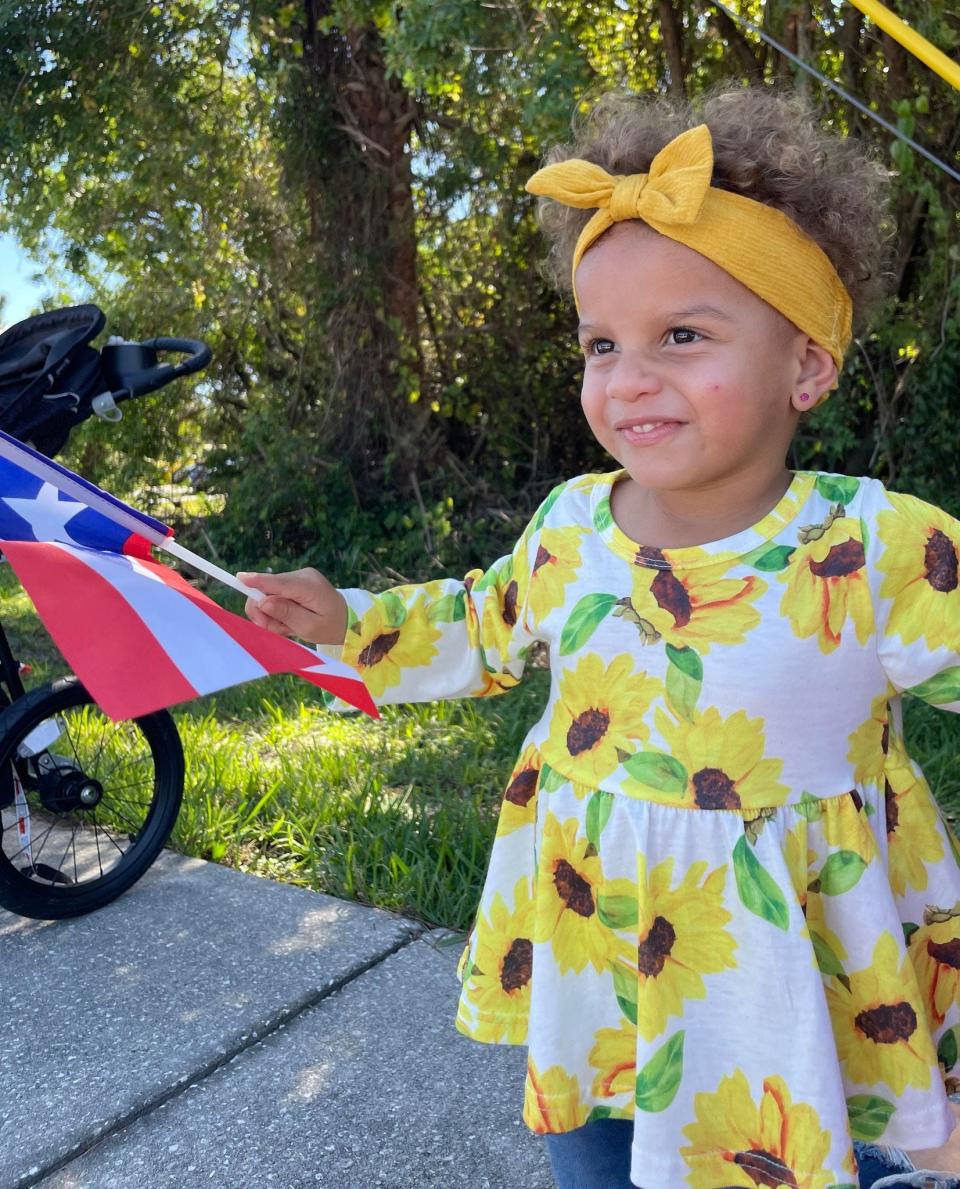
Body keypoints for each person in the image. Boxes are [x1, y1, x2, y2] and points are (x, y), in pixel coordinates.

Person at [240, 86, 960, 1189]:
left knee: (794, 1139)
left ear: (805, 367)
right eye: (601, 343)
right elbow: (482, 626)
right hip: (595, 933)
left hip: (774, 959)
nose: (628, 378)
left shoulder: (873, 545)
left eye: (683, 335)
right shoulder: (574, 523)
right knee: (598, 1149)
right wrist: (351, 620)